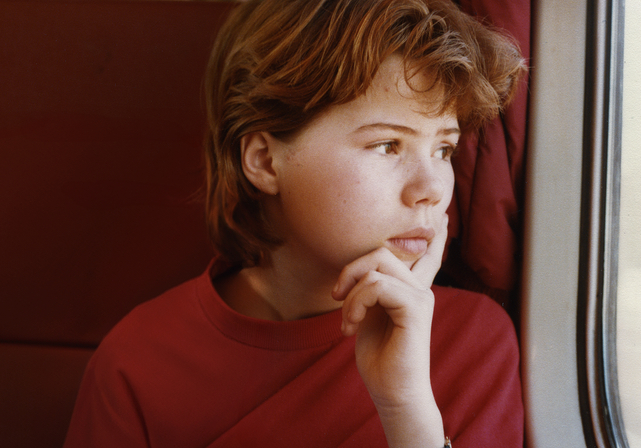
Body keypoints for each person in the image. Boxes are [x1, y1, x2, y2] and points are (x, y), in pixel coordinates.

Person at [64, 0, 527, 446]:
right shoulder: (138, 360)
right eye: (388, 145)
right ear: (265, 160)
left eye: (443, 149)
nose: (432, 188)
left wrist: (405, 409)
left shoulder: (475, 343)